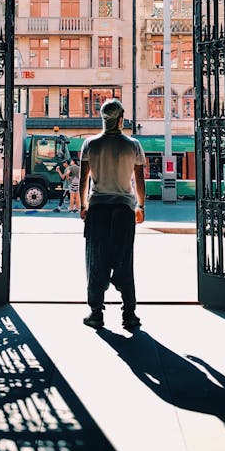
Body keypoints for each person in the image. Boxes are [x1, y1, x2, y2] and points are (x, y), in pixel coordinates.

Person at [79, 98, 146, 330]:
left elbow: (83, 179)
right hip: (124, 210)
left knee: (96, 260)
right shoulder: (133, 145)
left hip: (97, 209)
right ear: (120, 118)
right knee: (124, 260)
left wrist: (82, 205)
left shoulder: (90, 144)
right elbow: (139, 179)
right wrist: (141, 206)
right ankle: (129, 314)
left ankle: (96, 313)